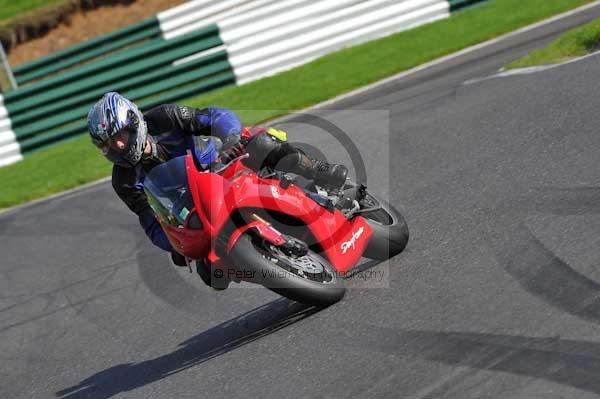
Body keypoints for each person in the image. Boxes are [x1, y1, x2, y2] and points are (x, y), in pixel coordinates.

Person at [87, 92, 347, 286]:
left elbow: (213, 116)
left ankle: (318, 171)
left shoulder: (165, 118)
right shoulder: (123, 181)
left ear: (134, 123)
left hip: (224, 164)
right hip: (197, 207)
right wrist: (175, 243)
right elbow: (151, 223)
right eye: (108, 144)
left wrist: (231, 138)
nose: (117, 147)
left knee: (262, 143)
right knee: (213, 276)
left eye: (119, 137)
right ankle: (272, 263)